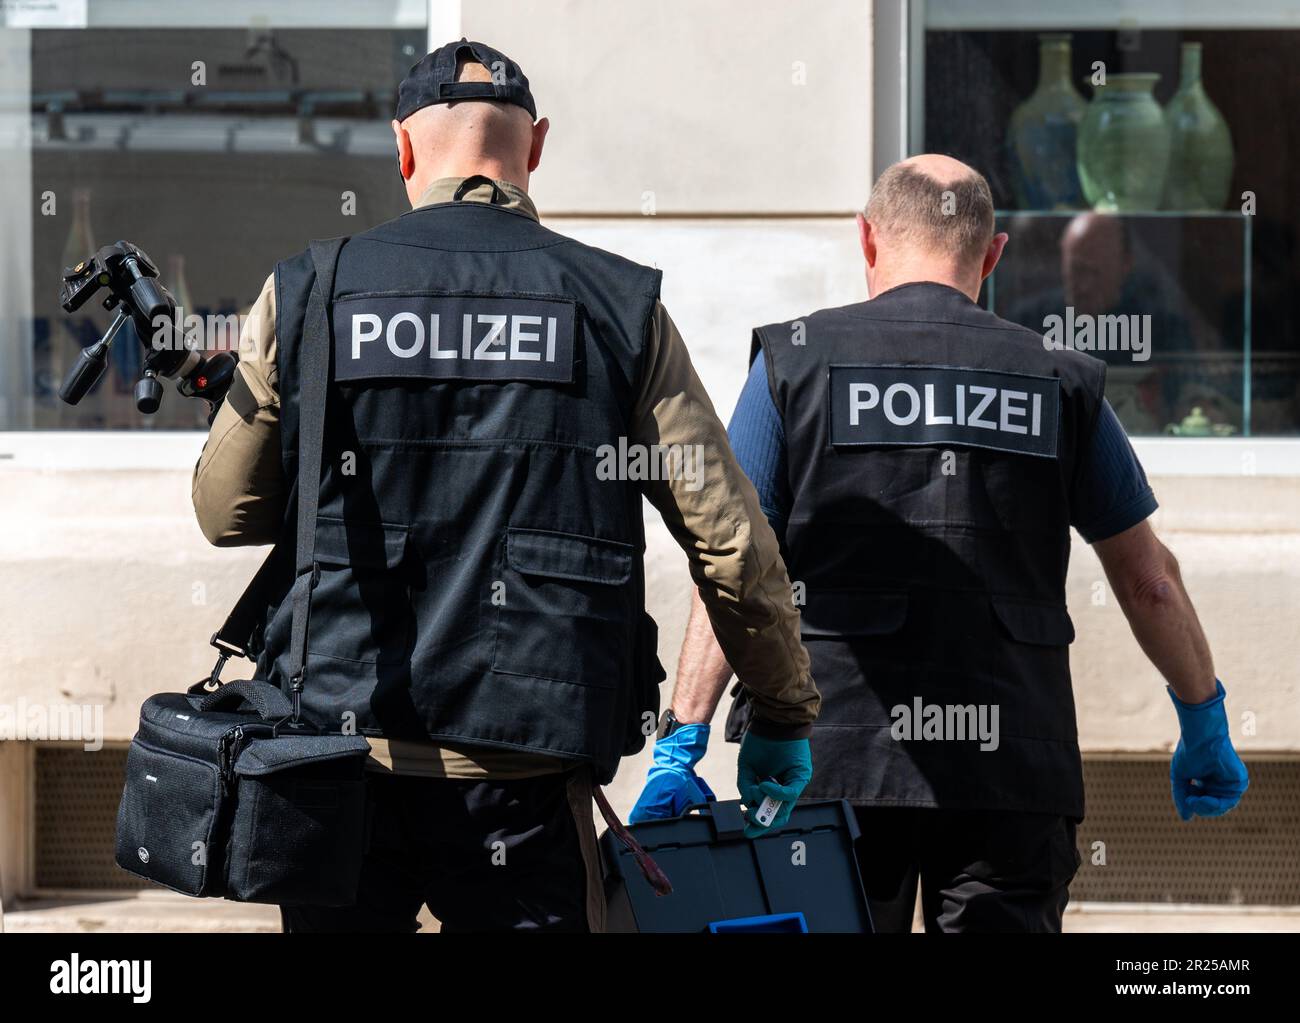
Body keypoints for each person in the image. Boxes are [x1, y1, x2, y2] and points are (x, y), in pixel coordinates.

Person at [191, 39, 817, 933]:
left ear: (403, 150)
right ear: (537, 147)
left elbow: (227, 513)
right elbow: (729, 538)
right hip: (524, 777)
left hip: (341, 766)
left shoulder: (311, 290)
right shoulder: (616, 305)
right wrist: (784, 709)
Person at [633, 154, 1247, 933]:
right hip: (1013, 770)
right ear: (991, 257)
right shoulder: (1059, 378)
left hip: (830, 763)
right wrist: (1203, 716)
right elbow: (1148, 579)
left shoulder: (794, 362)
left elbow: (735, 558)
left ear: (867, 239)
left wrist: (680, 737)